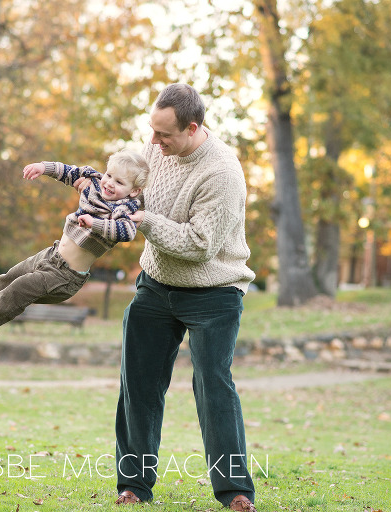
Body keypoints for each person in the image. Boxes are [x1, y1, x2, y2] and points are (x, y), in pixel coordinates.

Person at [113, 84, 257, 511]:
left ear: (192, 128)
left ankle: (234, 492)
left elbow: (200, 245)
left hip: (214, 292)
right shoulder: (157, 148)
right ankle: (134, 486)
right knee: (137, 384)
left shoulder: (223, 172)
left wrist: (145, 222)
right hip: (156, 287)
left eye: (164, 136)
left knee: (213, 385)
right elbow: (132, 186)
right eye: (152, 132)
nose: (153, 143)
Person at [0, 150, 149, 336]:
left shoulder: (124, 209)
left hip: (65, 276)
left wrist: (94, 223)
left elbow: (127, 232)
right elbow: (69, 172)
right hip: (51, 255)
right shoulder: (94, 182)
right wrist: (43, 168)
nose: (109, 183)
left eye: (119, 182)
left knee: (18, 289)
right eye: (109, 175)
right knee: (11, 276)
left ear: (133, 191)